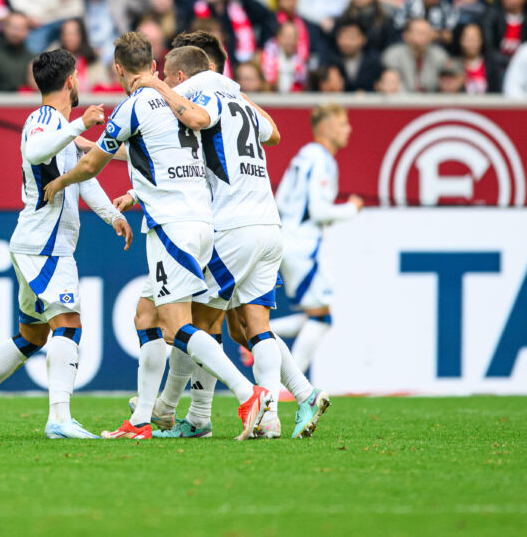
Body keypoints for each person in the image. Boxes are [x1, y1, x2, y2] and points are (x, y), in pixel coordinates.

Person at [44, 33, 270, 440]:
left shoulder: (132, 107)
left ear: (118, 70)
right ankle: (142, 419)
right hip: (203, 222)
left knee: (176, 327)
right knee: (145, 316)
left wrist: (60, 182)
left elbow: (95, 162)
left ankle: (247, 393)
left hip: (171, 226)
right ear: (154, 64)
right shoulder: (181, 102)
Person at [132, 50, 331, 439]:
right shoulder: (239, 102)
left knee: (196, 324)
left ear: (182, 74)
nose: (172, 89)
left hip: (233, 225)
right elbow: (274, 133)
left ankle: (179, 412)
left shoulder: (201, 95)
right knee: (254, 328)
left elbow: (194, 117)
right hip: (269, 227)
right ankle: (291, 404)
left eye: (171, 79)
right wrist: (236, 91)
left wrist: (157, 85)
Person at [0, 49, 131, 439]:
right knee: (68, 323)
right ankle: (59, 418)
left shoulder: (57, 126)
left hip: (37, 242)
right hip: (45, 244)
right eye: (78, 76)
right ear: (69, 82)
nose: (80, 82)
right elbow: (33, 151)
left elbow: (82, 175)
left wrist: (112, 215)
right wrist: (80, 124)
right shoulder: (43, 120)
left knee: (34, 335)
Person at [271, 104, 364, 376]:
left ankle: (259, 334)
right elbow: (319, 210)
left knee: (316, 315)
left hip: (288, 240)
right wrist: (351, 208)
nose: (349, 129)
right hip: (304, 246)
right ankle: (291, 382)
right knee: (322, 318)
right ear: (324, 128)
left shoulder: (303, 156)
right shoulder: (322, 159)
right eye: (342, 124)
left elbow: (283, 201)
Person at [381, 18, 450, 92]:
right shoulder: (393, 55)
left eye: (427, 33)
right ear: (406, 36)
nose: (424, 37)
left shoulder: (439, 55)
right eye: (420, 32)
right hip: (403, 100)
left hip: (433, 101)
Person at [331, 18, 384, 93]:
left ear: (364, 39)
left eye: (352, 37)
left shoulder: (375, 62)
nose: (347, 42)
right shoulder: (330, 62)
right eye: (343, 36)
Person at [0, 11, 35, 93]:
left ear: (28, 31)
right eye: (13, 27)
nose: (16, 33)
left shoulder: (31, 57)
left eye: (21, 28)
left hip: (20, 102)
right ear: (4, 27)